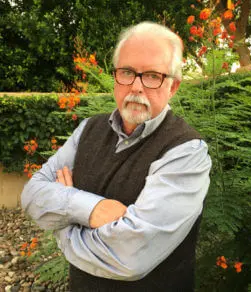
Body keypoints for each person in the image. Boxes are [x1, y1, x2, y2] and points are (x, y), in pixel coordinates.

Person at [21, 21, 211, 291]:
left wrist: (63, 229)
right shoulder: (88, 129)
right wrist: (92, 209)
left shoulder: (186, 151)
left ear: (173, 87)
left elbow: (130, 257)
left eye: (153, 75)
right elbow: (32, 194)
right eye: (127, 72)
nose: (136, 86)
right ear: (115, 77)